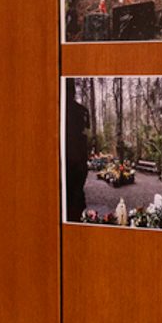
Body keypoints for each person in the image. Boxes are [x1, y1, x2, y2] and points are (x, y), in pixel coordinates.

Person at [64, 80, 91, 222]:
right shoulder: (82, 111)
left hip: (76, 167)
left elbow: (85, 138)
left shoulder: (82, 111)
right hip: (75, 167)